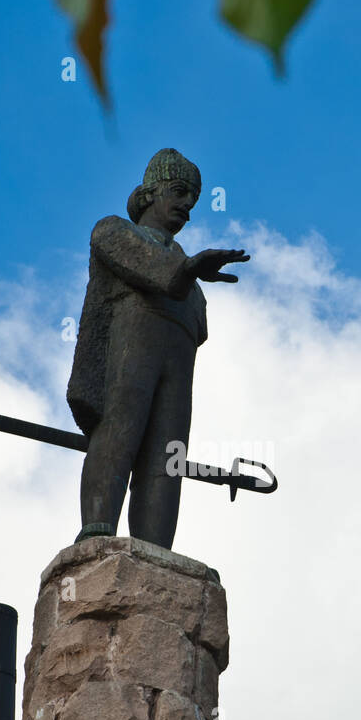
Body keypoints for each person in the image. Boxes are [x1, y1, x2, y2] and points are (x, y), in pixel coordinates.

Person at [66, 148, 249, 550]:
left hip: (177, 360)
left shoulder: (191, 280)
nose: (186, 205)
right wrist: (186, 271)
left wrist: (189, 274)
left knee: (169, 454)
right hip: (132, 346)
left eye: (193, 200)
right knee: (120, 427)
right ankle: (97, 531)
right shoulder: (115, 230)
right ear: (150, 193)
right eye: (180, 192)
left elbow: (194, 317)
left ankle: (156, 549)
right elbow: (148, 268)